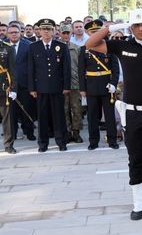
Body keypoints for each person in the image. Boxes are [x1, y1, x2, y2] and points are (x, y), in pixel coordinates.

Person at [85, 9, 142, 221]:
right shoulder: (122, 45)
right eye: (137, 25)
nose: (141, 28)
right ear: (131, 27)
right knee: (135, 159)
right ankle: (140, 203)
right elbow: (90, 44)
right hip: (133, 114)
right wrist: (111, 28)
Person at [28, 19, 71, 152]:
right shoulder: (33, 47)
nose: (46, 32)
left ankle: (61, 142)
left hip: (57, 87)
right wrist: (32, 88)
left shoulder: (61, 46)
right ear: (39, 31)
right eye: (43, 29)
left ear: (53, 31)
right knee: (43, 117)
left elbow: (66, 68)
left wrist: (66, 86)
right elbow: (31, 69)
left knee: (59, 116)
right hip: (40, 88)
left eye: (49, 29)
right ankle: (43, 143)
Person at [79, 21, 120, 150]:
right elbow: (81, 70)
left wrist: (114, 84)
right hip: (91, 86)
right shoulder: (83, 49)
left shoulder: (108, 47)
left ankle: (112, 140)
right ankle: (93, 141)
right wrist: (82, 89)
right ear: (88, 33)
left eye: (97, 32)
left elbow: (115, 68)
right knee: (92, 116)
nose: (95, 34)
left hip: (107, 85)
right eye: (92, 32)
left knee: (109, 115)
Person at [6, 24, 36, 141]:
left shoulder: (28, 45)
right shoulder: (3, 46)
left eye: (16, 32)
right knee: (11, 111)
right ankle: (12, 134)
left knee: (26, 109)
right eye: (11, 32)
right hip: (9, 85)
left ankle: (29, 131)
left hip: (25, 83)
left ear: (20, 33)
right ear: (8, 34)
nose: (14, 34)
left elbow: (32, 65)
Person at [60, 23, 84, 143]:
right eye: (63, 33)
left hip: (75, 83)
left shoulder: (76, 48)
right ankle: (67, 132)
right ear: (59, 33)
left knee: (76, 109)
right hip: (62, 84)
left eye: (67, 33)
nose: (65, 35)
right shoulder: (56, 47)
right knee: (64, 109)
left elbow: (81, 67)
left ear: (71, 33)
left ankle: (76, 132)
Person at [0, 39, 17, 153]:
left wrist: (13, 87)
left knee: (7, 117)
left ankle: (8, 144)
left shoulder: (8, 48)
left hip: (3, 86)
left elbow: (13, 69)